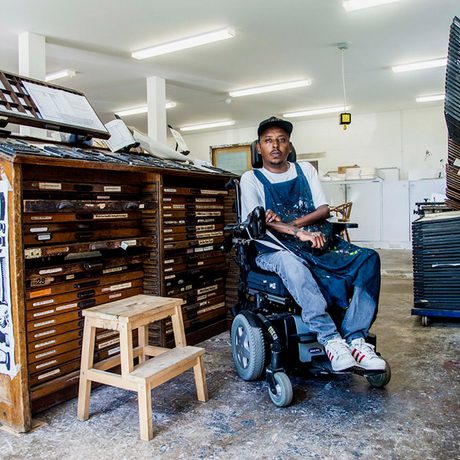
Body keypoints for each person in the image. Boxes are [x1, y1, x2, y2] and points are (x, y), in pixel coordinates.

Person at [240, 116, 386, 372]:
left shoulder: (305, 170)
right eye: (268, 141)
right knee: (292, 263)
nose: (275, 145)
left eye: (281, 140)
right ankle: (330, 338)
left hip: (316, 241)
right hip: (273, 250)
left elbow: (323, 209)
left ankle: (355, 339)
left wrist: (295, 224)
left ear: (289, 146)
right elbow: (257, 221)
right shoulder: (251, 179)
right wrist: (297, 233)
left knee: (368, 258)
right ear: (259, 147)